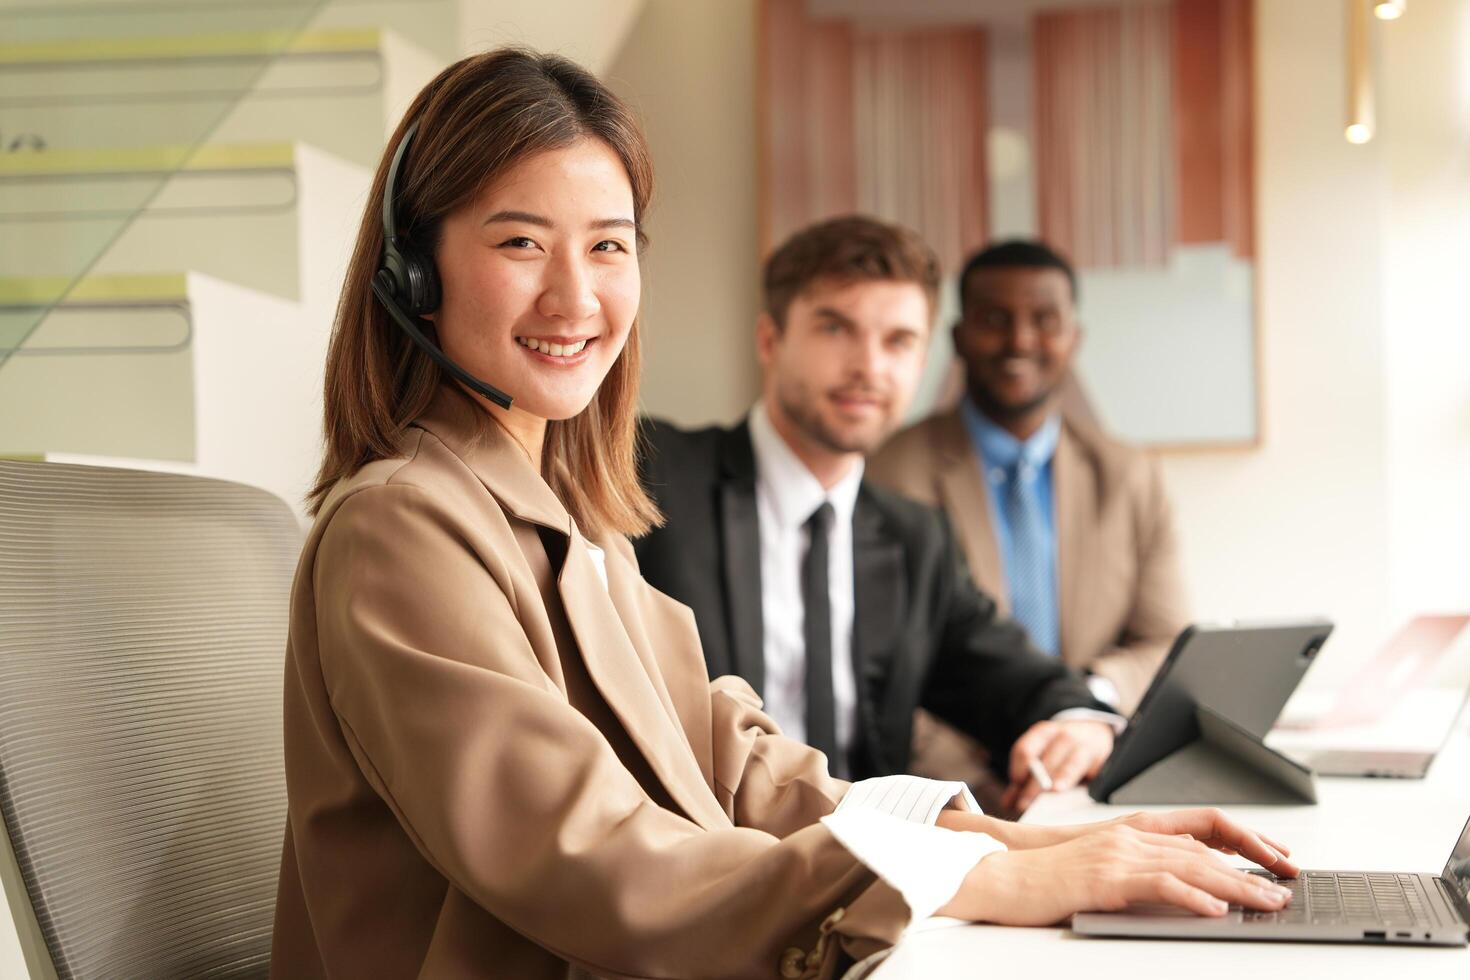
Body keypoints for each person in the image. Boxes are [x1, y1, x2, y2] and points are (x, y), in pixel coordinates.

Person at [272, 49, 1297, 980]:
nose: (575, 295)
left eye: (608, 246)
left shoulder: (573, 517)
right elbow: (585, 850)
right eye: (522, 242)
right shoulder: (401, 524)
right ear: (413, 275)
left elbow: (736, 758)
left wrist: (1036, 846)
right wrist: (976, 881)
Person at [636, 217, 1117, 817]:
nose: (869, 367)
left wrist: (1081, 724)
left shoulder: (917, 539)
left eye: (898, 341)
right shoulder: (652, 475)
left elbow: (1018, 680)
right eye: (836, 329)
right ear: (769, 340)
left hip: (864, 875)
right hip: (688, 860)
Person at [870, 240, 1190, 715]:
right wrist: (976, 783)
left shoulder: (1130, 477)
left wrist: (1080, 709)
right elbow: (881, 669)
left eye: (1045, 320)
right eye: (995, 320)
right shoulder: (888, 474)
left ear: (1074, 337)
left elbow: (1167, 644)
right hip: (948, 776)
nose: (1020, 340)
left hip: (1093, 757)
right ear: (958, 338)